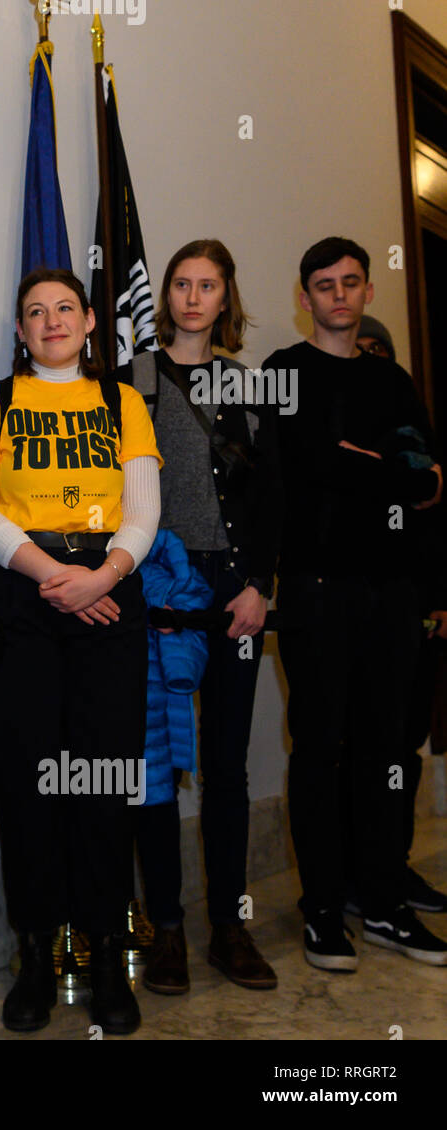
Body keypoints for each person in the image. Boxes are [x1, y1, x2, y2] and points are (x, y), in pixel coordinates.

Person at [0, 268, 161, 1036]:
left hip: (111, 592)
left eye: (64, 309)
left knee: (102, 780)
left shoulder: (124, 403)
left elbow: (144, 509)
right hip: (23, 593)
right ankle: (38, 957)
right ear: (20, 330)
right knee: (27, 782)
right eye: (33, 313)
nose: (50, 321)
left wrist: (103, 574)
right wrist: (54, 575)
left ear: (89, 323)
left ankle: (109, 955)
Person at [269, 236, 447, 970]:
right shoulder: (284, 374)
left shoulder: (394, 380)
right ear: (304, 297)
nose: (338, 295)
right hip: (316, 589)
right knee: (319, 749)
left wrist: (358, 465)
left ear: (369, 292)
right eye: (324, 284)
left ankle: (383, 900)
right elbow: (306, 461)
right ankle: (321, 909)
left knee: (383, 753)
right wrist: (386, 468)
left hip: (393, 593)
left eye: (350, 283)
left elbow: (430, 480)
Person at [116, 240, 283, 993]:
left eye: (206, 285)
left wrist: (261, 586)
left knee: (226, 770)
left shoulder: (251, 389)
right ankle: (168, 932)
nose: (191, 297)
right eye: (180, 284)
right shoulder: (132, 383)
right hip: (158, 590)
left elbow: (273, 498)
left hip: (233, 596)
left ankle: (228, 927)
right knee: (155, 767)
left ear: (225, 298)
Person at [341, 316, 447, 917]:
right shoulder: (335, 412)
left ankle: (393, 867)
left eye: (378, 351)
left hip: (415, 603)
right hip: (353, 599)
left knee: (401, 747)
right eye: (360, 351)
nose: (369, 359)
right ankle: (353, 876)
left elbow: (431, 496)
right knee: (350, 746)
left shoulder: (409, 414)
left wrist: (440, 598)